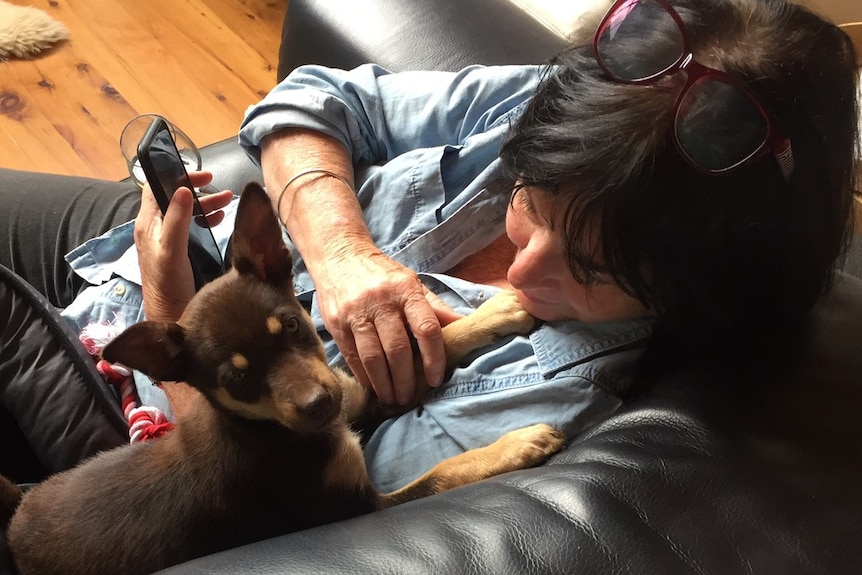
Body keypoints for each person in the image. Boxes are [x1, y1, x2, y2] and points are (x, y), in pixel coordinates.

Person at [0, 0, 857, 491]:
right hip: (121, 252)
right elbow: (315, 98)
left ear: (683, 297)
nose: (523, 270)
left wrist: (171, 310)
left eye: (590, 270)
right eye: (531, 200)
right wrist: (336, 245)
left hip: (125, 423)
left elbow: (268, 489)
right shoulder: (548, 109)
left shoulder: (550, 407)